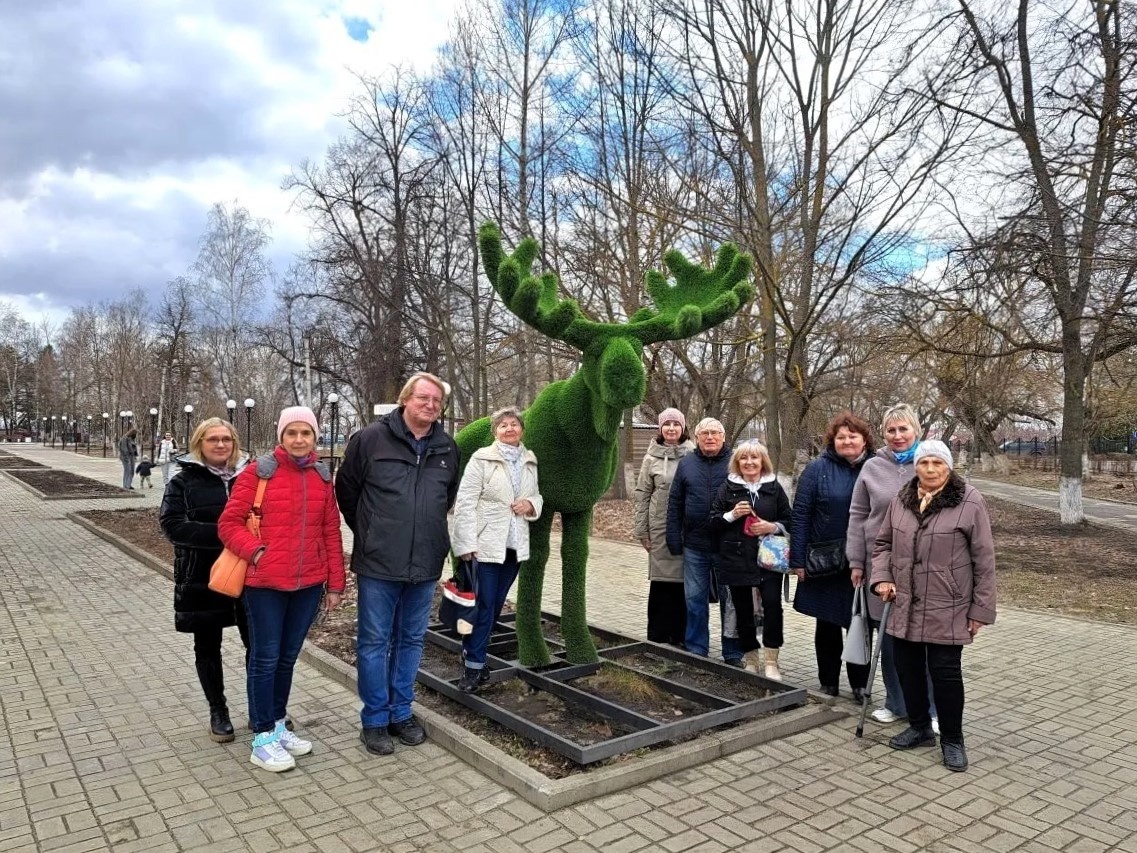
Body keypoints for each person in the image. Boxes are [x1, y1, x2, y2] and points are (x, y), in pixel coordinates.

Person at [335, 372, 460, 757]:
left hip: (425, 562)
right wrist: (372, 532)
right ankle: (374, 720)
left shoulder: (447, 447)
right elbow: (347, 491)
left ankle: (401, 713)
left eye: (437, 401)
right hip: (378, 563)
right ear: (405, 399)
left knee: (411, 640)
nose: (430, 405)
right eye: (423, 398)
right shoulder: (371, 439)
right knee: (374, 642)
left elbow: (447, 498)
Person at [218, 406, 345, 773]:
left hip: (308, 584)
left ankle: (276, 723)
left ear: (315, 438)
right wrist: (257, 552)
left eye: (306, 433)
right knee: (265, 658)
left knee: (288, 658)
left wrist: (335, 583)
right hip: (265, 584)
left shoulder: (322, 477)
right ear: (281, 436)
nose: (299, 440)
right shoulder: (258, 473)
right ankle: (262, 739)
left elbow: (331, 533)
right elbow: (229, 524)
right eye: (292, 433)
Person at [871, 440, 997, 771]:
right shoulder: (902, 499)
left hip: (949, 604)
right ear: (916, 465)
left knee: (945, 674)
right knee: (907, 668)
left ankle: (953, 739)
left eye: (937, 463)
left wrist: (980, 611)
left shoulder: (970, 501)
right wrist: (882, 578)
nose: (930, 469)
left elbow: (984, 560)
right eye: (924, 462)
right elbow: (883, 543)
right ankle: (919, 727)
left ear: (948, 466)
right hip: (905, 602)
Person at [847, 403, 938, 728]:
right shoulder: (872, 467)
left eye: (904, 429)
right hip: (879, 565)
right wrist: (856, 560)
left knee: (924, 641)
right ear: (883, 433)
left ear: (916, 430)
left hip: (922, 567)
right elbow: (858, 515)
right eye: (891, 430)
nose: (897, 436)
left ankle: (931, 709)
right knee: (888, 638)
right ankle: (896, 702)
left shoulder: (929, 464)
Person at [159, 418, 249, 743]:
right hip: (202, 576)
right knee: (208, 646)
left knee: (258, 643)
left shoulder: (249, 478)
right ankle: (218, 711)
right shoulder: (182, 482)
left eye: (226, 439)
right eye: (213, 439)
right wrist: (227, 536)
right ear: (200, 443)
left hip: (250, 574)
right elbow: (172, 525)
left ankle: (262, 708)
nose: (221, 445)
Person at [450, 406, 542, 693]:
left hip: (513, 546)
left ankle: (473, 657)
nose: (509, 429)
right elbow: (465, 501)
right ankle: (473, 667)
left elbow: (536, 495)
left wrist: (531, 505)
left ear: (521, 430)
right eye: (503, 425)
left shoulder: (529, 460)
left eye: (514, 424)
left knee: (495, 605)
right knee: (484, 607)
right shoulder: (482, 458)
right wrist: (465, 545)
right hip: (485, 545)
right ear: (495, 431)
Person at [791, 412, 874, 699]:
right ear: (832, 441)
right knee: (826, 623)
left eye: (853, 436)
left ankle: (860, 684)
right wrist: (798, 560)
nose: (847, 441)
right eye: (841, 437)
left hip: (863, 562)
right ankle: (828, 681)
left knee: (860, 622)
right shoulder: (816, 470)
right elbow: (800, 515)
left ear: (864, 439)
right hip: (824, 561)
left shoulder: (876, 468)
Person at [710, 440, 792, 678]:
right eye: (744, 458)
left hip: (769, 560)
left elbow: (789, 519)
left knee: (773, 607)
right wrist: (732, 514)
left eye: (754, 458)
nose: (749, 462)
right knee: (743, 611)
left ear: (762, 461)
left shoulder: (774, 487)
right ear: (737, 463)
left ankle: (771, 661)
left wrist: (772, 526)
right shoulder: (728, 487)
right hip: (736, 558)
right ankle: (751, 659)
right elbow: (712, 521)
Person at [666, 417, 741, 666]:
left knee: (731, 601)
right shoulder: (687, 464)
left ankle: (733, 653)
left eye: (715, 433)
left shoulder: (736, 463)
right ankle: (697, 648)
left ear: (723, 436)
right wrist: (673, 537)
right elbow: (675, 503)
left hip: (728, 545)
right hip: (695, 545)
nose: (710, 437)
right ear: (696, 438)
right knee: (695, 600)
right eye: (705, 433)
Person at [634, 408, 694, 647]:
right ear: (660, 429)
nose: (671, 429)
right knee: (661, 583)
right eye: (666, 424)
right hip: (658, 529)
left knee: (683, 584)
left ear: (683, 428)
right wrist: (641, 531)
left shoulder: (693, 455)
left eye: (675, 424)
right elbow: (642, 495)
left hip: (686, 529)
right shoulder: (651, 458)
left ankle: (681, 637)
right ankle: (658, 637)